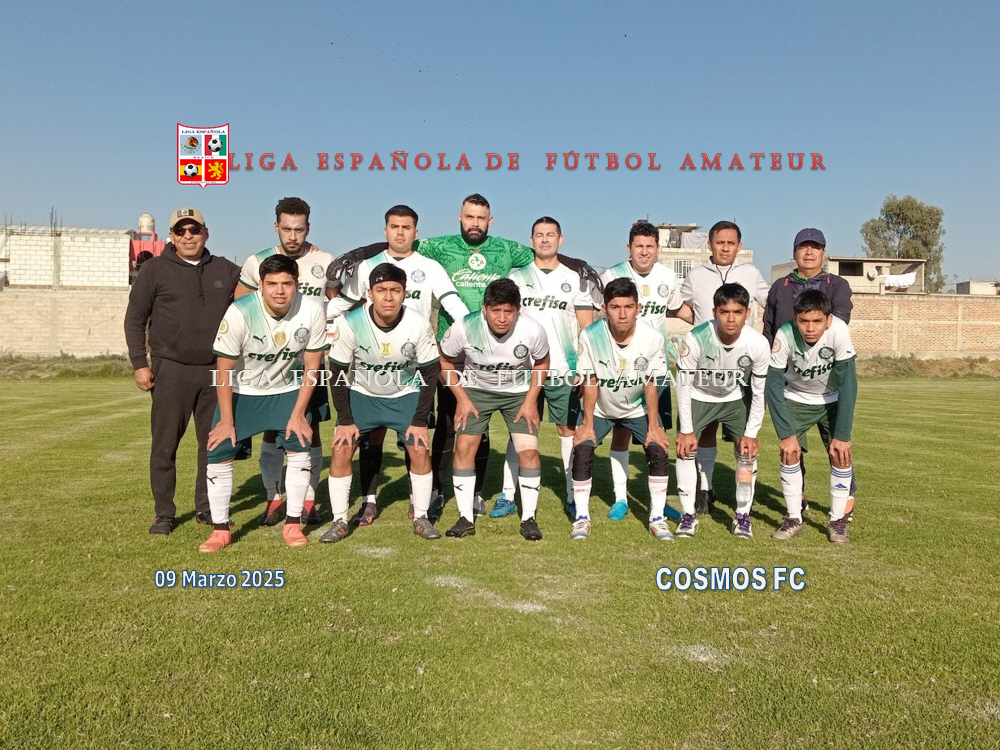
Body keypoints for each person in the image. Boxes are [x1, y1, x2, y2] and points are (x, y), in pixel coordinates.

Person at [326, 205, 469, 525]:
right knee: (372, 437)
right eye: (394, 226)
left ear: (416, 232)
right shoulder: (367, 266)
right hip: (371, 364)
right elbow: (344, 304)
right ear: (385, 230)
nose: (400, 232)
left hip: (413, 367)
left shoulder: (429, 267)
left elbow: (452, 303)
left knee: (414, 436)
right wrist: (309, 315)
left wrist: (476, 328)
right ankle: (369, 500)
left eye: (406, 227)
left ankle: (417, 501)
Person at [199, 254, 329, 553]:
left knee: (300, 445)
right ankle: (220, 530)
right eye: (272, 284)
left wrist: (299, 413)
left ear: (297, 285)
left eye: (287, 283)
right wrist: (227, 420)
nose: (279, 291)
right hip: (242, 391)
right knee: (218, 449)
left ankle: (293, 524)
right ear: (261, 285)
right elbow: (223, 370)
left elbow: (312, 367)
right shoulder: (240, 311)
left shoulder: (311, 309)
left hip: (287, 389)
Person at [124, 207, 240, 535]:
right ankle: (164, 513)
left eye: (194, 230)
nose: (188, 236)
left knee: (213, 444)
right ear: (172, 236)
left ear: (206, 232)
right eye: (180, 231)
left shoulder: (224, 269)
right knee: (165, 445)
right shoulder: (155, 270)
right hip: (170, 369)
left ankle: (207, 507)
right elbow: (135, 318)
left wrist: (303, 253)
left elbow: (259, 277)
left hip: (215, 371)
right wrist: (140, 363)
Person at [235, 197, 336, 528]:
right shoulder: (257, 261)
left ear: (309, 228)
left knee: (310, 428)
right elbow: (240, 304)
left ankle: (308, 500)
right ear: (276, 226)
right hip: (270, 365)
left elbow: (336, 302)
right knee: (271, 428)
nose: (293, 236)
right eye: (287, 229)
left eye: (300, 229)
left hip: (309, 362)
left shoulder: (324, 260)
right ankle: (273, 497)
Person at [323, 263, 441, 542]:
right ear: (370, 293)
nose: (388, 297)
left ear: (405, 293)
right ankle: (339, 520)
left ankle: (422, 516)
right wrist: (345, 420)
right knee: (341, 447)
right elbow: (337, 373)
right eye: (381, 290)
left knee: (419, 447)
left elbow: (429, 373)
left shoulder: (417, 323)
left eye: (395, 290)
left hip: (405, 394)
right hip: (363, 394)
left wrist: (419, 421)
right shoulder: (350, 323)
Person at [493, 216, 596, 519]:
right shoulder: (517, 276)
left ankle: (572, 496)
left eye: (551, 234)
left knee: (568, 430)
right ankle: (508, 495)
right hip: (524, 369)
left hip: (564, 369)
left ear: (560, 240)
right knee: (521, 430)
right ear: (531, 240)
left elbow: (587, 329)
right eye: (539, 235)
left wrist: (584, 366)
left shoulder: (575, 278)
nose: (545, 239)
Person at [438, 279, 550, 540]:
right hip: (476, 391)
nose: (502, 318)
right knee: (464, 448)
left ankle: (529, 519)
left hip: (518, 393)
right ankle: (465, 518)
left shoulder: (532, 329)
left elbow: (542, 362)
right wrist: (462, 398)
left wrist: (531, 400)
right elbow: (444, 360)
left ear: (518, 310)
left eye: (508, 311)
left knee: (529, 451)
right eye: (496, 310)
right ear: (484, 308)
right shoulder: (464, 327)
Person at [600, 221, 692, 522]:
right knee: (621, 432)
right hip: (619, 368)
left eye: (649, 246)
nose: (644, 252)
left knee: (658, 434)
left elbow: (680, 309)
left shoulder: (667, 276)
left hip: (657, 369)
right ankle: (620, 498)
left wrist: (711, 321)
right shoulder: (611, 275)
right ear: (629, 248)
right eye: (638, 246)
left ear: (658, 249)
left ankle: (658, 502)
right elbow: (598, 317)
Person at [569, 278, 673, 541]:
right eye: (615, 307)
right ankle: (581, 517)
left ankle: (657, 518)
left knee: (658, 448)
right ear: (605, 308)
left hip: (637, 408)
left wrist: (654, 426)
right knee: (582, 447)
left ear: (638, 308)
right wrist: (588, 424)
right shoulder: (591, 335)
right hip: (602, 408)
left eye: (628, 306)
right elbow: (590, 379)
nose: (622, 314)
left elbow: (651, 383)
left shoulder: (652, 337)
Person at [763, 227, 856, 517]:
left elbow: (839, 320)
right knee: (792, 444)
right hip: (792, 379)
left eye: (815, 247)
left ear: (823, 253)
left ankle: (846, 497)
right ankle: (798, 496)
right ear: (794, 252)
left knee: (837, 442)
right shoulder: (780, 286)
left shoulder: (837, 284)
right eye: (803, 247)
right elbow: (769, 327)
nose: (809, 252)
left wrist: (814, 347)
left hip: (827, 376)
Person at [680, 221, 770, 515]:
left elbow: (770, 302)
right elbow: (681, 305)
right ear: (710, 244)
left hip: (739, 366)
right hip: (706, 361)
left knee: (743, 436)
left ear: (739, 246)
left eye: (731, 243)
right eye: (720, 242)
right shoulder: (695, 275)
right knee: (705, 431)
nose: (725, 248)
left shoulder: (751, 273)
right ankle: (705, 490)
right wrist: (699, 327)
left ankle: (743, 498)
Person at [674, 283, 770, 539]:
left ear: (747, 313)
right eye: (724, 311)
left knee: (746, 452)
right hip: (699, 396)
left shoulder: (758, 343)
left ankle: (742, 516)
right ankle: (688, 516)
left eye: (737, 312)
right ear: (714, 312)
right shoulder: (696, 338)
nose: (730, 318)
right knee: (685, 449)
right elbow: (683, 385)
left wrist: (751, 433)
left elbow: (759, 392)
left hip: (734, 398)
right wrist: (686, 430)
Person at [766, 289, 858, 544]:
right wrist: (786, 434)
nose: (810, 327)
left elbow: (849, 382)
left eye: (817, 321)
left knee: (840, 453)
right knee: (789, 451)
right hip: (796, 397)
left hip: (833, 398)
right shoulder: (785, 333)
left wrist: (842, 435)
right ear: (795, 319)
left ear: (828, 320)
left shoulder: (838, 330)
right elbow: (773, 383)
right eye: (804, 321)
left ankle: (837, 521)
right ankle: (794, 518)